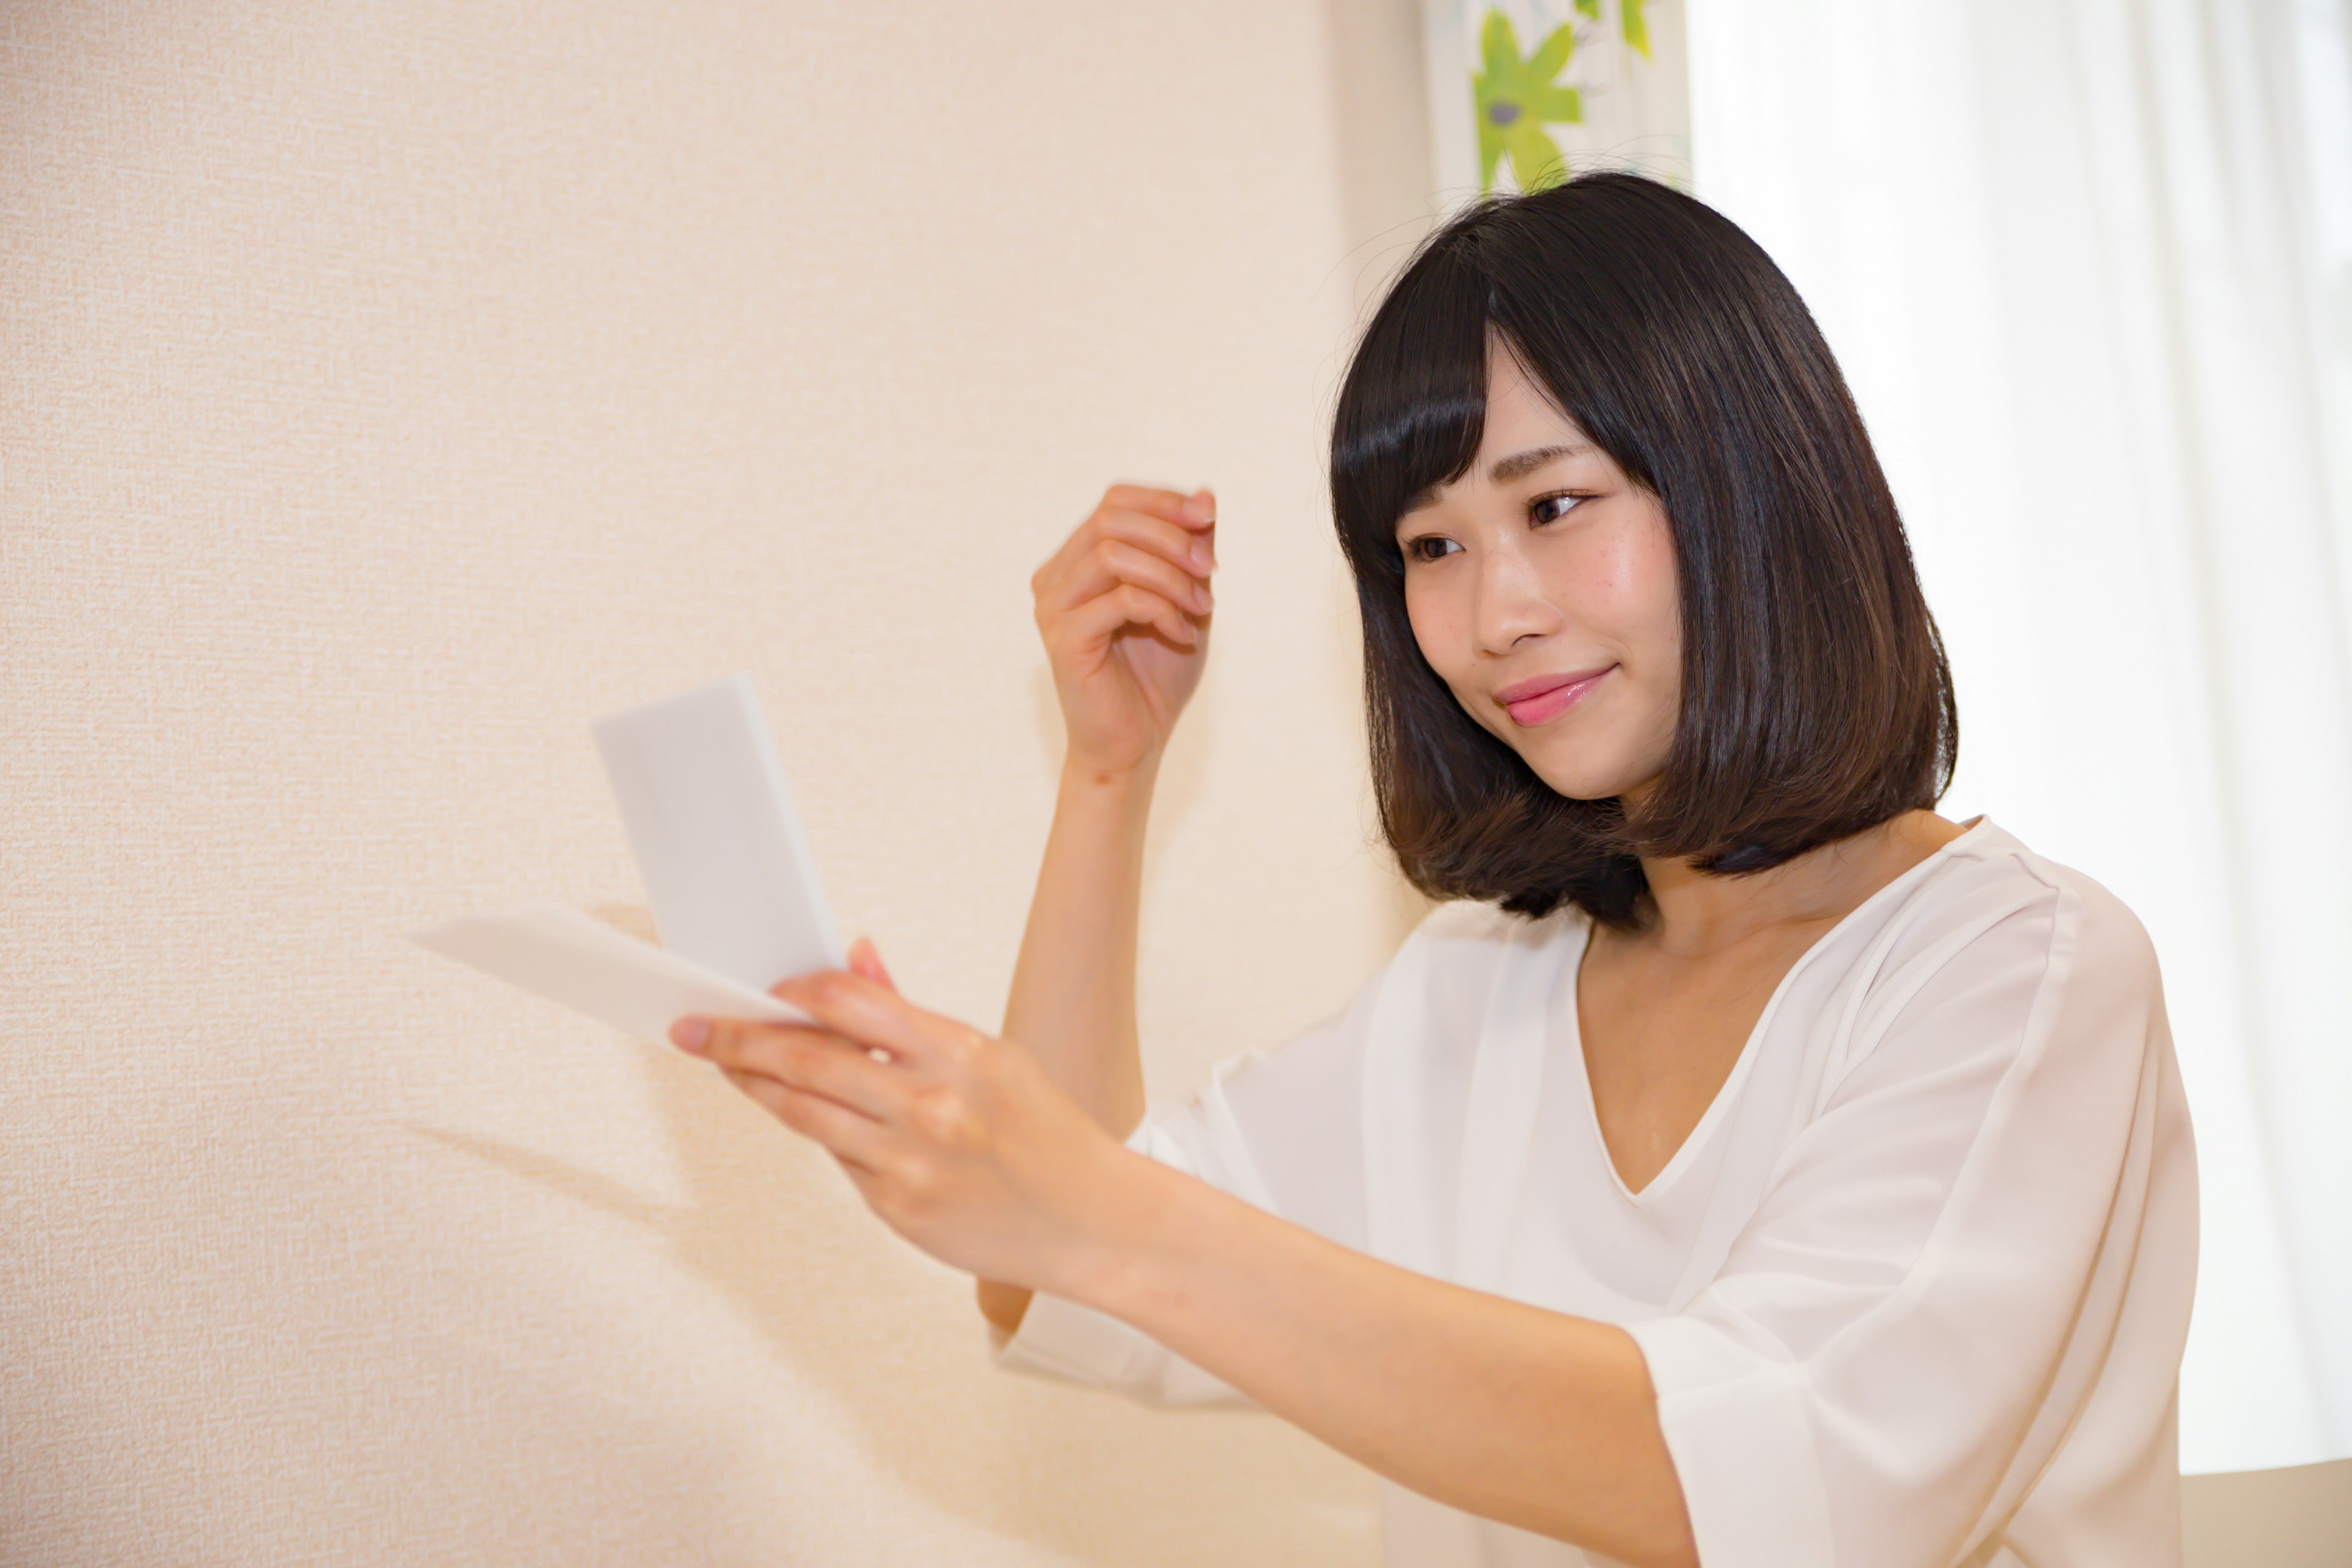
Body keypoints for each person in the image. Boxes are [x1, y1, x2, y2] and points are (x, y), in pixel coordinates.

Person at [666, 172, 2198, 1568]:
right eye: (1430, 545)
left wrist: (1093, 1214)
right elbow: (1052, 1280)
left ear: (1747, 484)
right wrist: (1109, 773)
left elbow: (1786, 1484)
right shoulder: (1474, 995)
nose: (1492, 614)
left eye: (1552, 504)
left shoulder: (2019, 967)